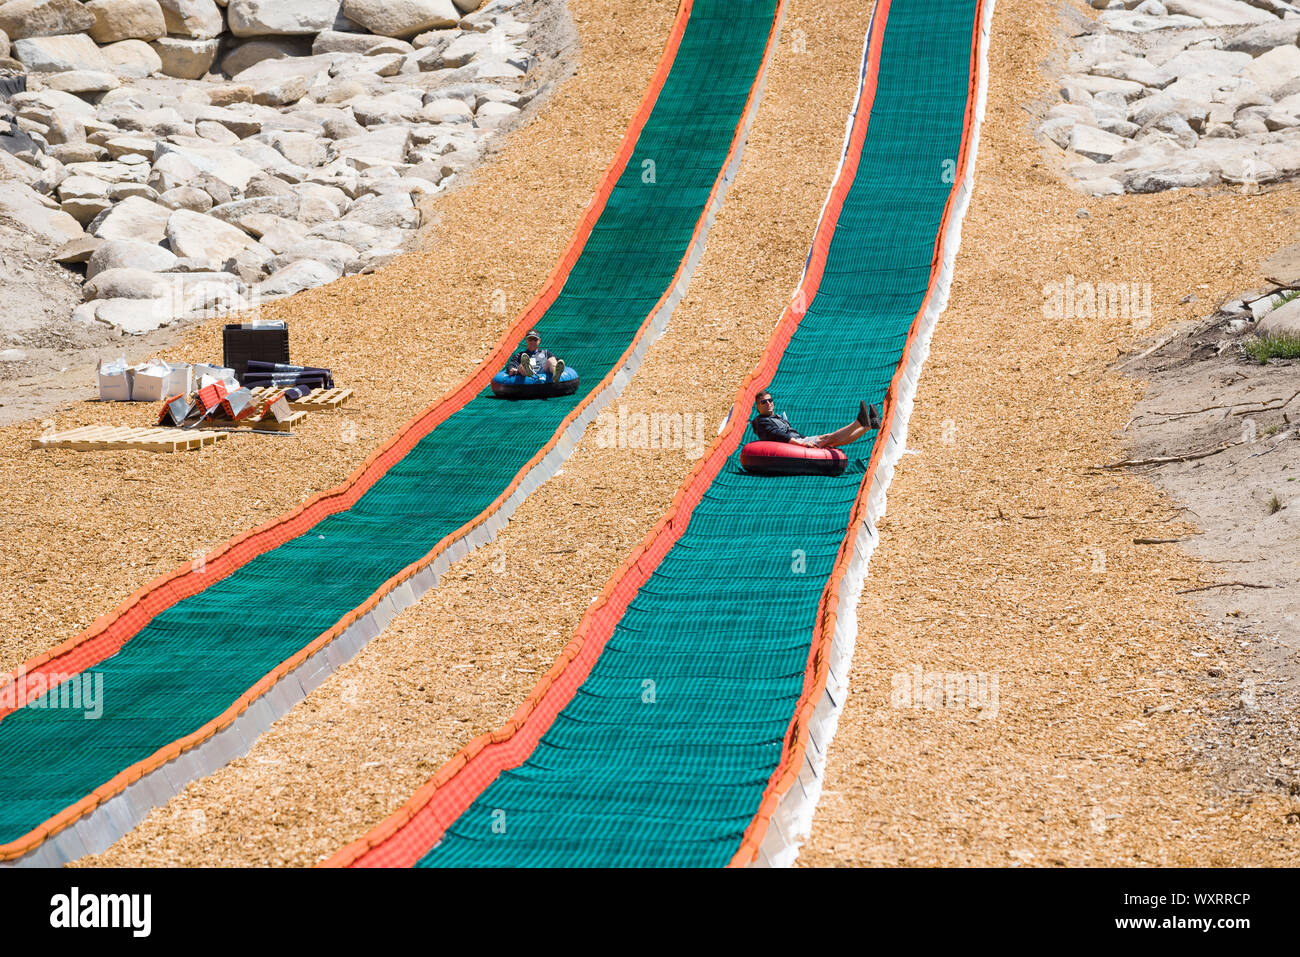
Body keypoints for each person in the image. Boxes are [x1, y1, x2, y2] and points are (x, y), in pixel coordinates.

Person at [750, 389, 881, 448]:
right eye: (764, 402)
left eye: (770, 400)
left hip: (798, 441)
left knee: (831, 439)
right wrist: (802, 443)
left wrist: (803, 439)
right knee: (828, 438)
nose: (768, 403)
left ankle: (867, 426)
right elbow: (778, 435)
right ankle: (859, 422)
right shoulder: (761, 422)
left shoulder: (777, 417)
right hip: (794, 445)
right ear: (757, 406)